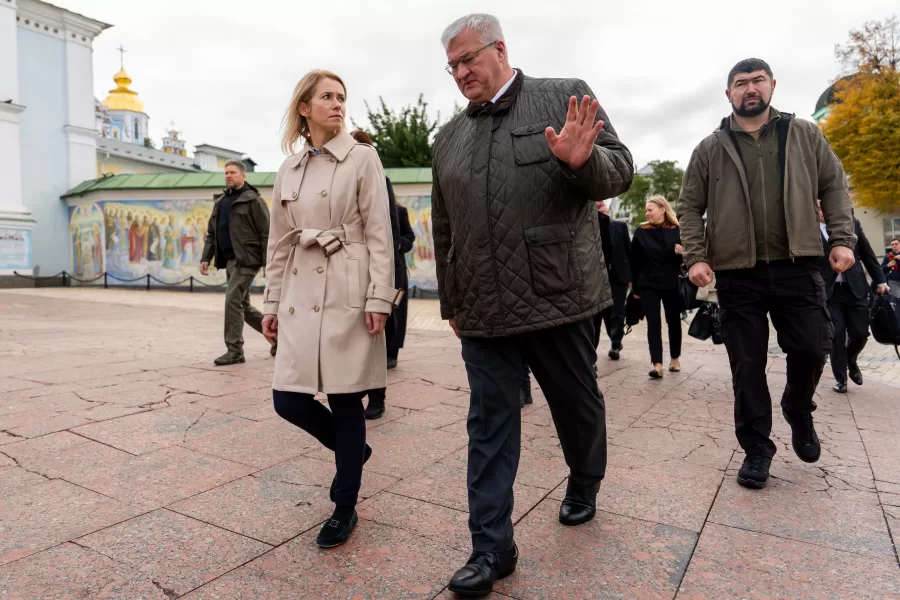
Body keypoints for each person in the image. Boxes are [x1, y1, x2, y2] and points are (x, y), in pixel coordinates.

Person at [432, 14, 633, 596]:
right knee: (489, 427)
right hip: (484, 312)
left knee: (576, 403)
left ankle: (585, 478)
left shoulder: (561, 96)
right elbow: (444, 227)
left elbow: (620, 169)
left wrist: (580, 161)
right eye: (453, 66)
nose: (461, 72)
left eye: (468, 59)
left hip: (558, 295)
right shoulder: (450, 138)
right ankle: (492, 548)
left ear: (500, 48)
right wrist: (453, 298)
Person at [679, 58, 856, 491]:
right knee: (748, 367)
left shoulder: (804, 134)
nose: (750, 89)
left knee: (814, 348)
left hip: (799, 265)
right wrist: (696, 258)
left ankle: (798, 408)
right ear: (729, 94)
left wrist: (842, 239)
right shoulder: (710, 147)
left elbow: (833, 185)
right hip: (739, 275)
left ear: (772, 85)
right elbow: (688, 206)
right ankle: (758, 449)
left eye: (757, 81)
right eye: (740, 83)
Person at [261, 70, 399, 548]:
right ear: (305, 107)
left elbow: (380, 232)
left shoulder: (363, 158)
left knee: (345, 398)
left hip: (348, 283)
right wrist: (271, 303)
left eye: (342, 97)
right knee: (287, 398)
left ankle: (344, 506)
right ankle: (352, 450)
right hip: (300, 292)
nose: (337, 104)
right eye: (326, 97)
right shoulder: (289, 169)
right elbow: (279, 242)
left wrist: (380, 296)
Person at [347, 128, 405, 421]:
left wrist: (386, 274)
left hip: (375, 264)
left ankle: (377, 395)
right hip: (347, 267)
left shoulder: (379, 177)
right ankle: (355, 386)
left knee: (376, 330)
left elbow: (388, 227)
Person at [200, 160, 272, 365]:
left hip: (247, 259)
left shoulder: (253, 200)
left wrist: (267, 260)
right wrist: (206, 257)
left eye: (232, 172)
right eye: (226, 173)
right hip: (229, 260)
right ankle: (279, 338)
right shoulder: (221, 201)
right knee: (243, 304)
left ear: (243, 175)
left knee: (232, 300)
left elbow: (267, 233)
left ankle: (235, 351)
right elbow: (212, 233)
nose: (228, 176)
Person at [818, 202, 888, 393]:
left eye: (825, 206)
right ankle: (841, 379)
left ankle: (851, 360)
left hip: (855, 289)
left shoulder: (852, 224)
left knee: (860, 333)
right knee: (836, 336)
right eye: (819, 207)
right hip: (830, 292)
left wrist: (880, 280)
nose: (822, 211)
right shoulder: (809, 230)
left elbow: (867, 254)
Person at [630, 195, 684, 379]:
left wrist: (682, 252)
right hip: (648, 284)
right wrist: (635, 290)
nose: (647, 213)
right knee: (653, 323)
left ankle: (675, 359)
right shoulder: (641, 232)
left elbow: (690, 255)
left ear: (663, 209)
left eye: (650, 209)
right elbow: (634, 262)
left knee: (674, 322)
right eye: (646, 210)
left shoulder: (677, 230)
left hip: (672, 283)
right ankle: (657, 364)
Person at [595, 199, 632, 361]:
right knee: (600, 314)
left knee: (617, 311)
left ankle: (615, 344)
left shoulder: (620, 227)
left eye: (601, 204)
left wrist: (631, 277)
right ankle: (594, 351)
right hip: (597, 278)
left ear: (607, 209)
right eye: (596, 205)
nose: (599, 206)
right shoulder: (590, 229)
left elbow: (629, 252)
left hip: (619, 277)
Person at [390, 203, 416, 366]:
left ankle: (392, 353)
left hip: (397, 269)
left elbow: (410, 236)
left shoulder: (400, 211)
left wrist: (399, 244)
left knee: (397, 310)